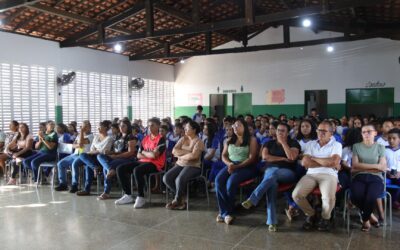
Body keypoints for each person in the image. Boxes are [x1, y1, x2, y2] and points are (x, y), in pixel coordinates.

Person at [241, 123, 300, 232]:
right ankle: (272, 222)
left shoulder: (293, 143)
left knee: (272, 175)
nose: (280, 133)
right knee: (271, 184)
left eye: (283, 131)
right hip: (270, 171)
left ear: (287, 133)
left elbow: (291, 157)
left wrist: (283, 143)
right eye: (278, 130)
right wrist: (282, 159)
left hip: (287, 173)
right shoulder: (269, 143)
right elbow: (265, 157)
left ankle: (253, 198)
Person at [292, 121, 342, 231]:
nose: (321, 133)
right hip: (311, 174)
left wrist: (313, 158)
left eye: (324, 131)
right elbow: (305, 163)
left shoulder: (336, 145)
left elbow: (333, 162)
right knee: (296, 194)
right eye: (319, 130)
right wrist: (326, 161)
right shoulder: (311, 144)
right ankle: (311, 214)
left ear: (331, 133)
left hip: (329, 175)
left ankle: (325, 218)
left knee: (328, 198)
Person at [115, 117, 166, 208]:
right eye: (148, 126)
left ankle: (141, 197)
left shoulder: (161, 139)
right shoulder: (145, 139)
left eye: (152, 126)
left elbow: (155, 156)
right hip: (142, 161)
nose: (150, 128)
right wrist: (148, 153)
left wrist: (144, 152)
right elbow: (138, 155)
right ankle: (128, 195)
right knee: (120, 168)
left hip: (156, 164)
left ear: (158, 126)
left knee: (137, 170)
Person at [215, 118, 258, 225]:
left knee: (231, 182)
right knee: (218, 180)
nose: (235, 127)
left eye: (238, 125)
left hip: (246, 166)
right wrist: (229, 164)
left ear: (245, 128)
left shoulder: (252, 140)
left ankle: (226, 212)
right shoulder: (228, 140)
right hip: (231, 165)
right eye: (234, 126)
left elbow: (252, 158)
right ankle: (225, 212)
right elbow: (224, 155)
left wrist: (237, 166)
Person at [350, 124, 387, 232]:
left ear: (375, 133)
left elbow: (383, 168)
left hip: (376, 178)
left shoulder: (380, 147)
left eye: (369, 131)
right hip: (359, 177)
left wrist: (362, 167)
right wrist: (375, 166)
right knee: (356, 196)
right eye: (364, 132)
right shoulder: (356, 146)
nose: (366, 134)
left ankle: (365, 220)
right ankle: (369, 216)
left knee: (371, 197)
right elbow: (355, 165)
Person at [163, 120, 205, 210]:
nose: (185, 129)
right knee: (166, 178)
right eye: (185, 127)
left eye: (187, 127)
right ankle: (182, 198)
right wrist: (188, 152)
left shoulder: (199, 141)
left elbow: (194, 156)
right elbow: (174, 151)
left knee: (180, 179)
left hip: (194, 166)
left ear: (194, 130)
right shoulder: (183, 139)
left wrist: (181, 155)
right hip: (180, 164)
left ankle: (177, 200)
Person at [96, 120, 138, 200]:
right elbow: (117, 150)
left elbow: (131, 153)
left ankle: (106, 192)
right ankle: (110, 169)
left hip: (127, 159)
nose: (121, 128)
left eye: (123, 126)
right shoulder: (118, 136)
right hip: (117, 157)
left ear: (128, 127)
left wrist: (116, 156)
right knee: (100, 156)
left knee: (106, 168)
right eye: (120, 126)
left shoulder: (131, 137)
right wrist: (110, 152)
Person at [55, 121, 94, 193]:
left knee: (74, 164)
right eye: (82, 127)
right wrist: (78, 144)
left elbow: (81, 144)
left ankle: (74, 185)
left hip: (84, 155)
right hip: (75, 154)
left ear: (89, 127)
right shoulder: (79, 135)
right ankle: (63, 183)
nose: (83, 128)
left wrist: (79, 143)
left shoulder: (91, 136)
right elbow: (73, 145)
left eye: (85, 127)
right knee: (60, 163)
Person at [76, 121, 114, 196]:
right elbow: (91, 148)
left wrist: (94, 151)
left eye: (100, 127)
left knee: (88, 164)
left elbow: (103, 151)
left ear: (105, 128)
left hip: (103, 158)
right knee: (82, 155)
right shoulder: (96, 137)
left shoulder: (109, 138)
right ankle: (95, 168)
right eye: (97, 127)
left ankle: (88, 188)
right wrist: (94, 151)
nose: (98, 128)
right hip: (94, 158)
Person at [385, 128, 400, 209]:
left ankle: (395, 201)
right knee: (381, 183)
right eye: (389, 138)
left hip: (399, 175)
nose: (391, 140)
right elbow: (381, 164)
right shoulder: (384, 150)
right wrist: (387, 172)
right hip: (387, 175)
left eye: (394, 138)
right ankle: (386, 202)